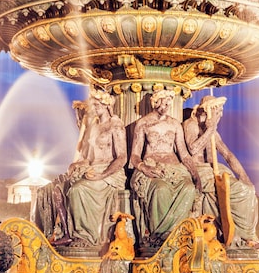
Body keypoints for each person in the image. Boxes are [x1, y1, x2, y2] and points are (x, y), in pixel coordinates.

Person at [183, 95, 259, 249]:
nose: (220, 115)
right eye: (217, 111)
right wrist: (210, 129)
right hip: (198, 169)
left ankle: (248, 235)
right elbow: (193, 149)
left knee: (248, 190)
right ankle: (240, 236)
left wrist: (245, 178)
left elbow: (227, 155)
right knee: (239, 191)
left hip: (215, 169)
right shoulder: (191, 125)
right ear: (208, 110)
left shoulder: (212, 131)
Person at [128, 89, 201, 247]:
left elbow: (184, 154)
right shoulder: (143, 123)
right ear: (154, 102)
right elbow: (134, 155)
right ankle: (160, 235)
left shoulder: (175, 124)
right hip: (152, 168)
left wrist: (196, 175)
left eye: (168, 102)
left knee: (189, 188)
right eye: (162, 102)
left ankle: (179, 233)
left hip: (175, 169)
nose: (166, 106)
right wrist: (143, 167)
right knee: (161, 190)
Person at [65, 91, 129, 248]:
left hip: (110, 171)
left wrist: (103, 174)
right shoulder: (93, 127)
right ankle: (74, 234)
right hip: (93, 169)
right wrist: (77, 165)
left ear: (107, 105)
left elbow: (122, 157)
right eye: (92, 105)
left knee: (78, 190)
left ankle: (87, 236)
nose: (93, 108)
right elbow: (87, 156)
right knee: (67, 187)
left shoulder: (116, 125)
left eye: (97, 105)